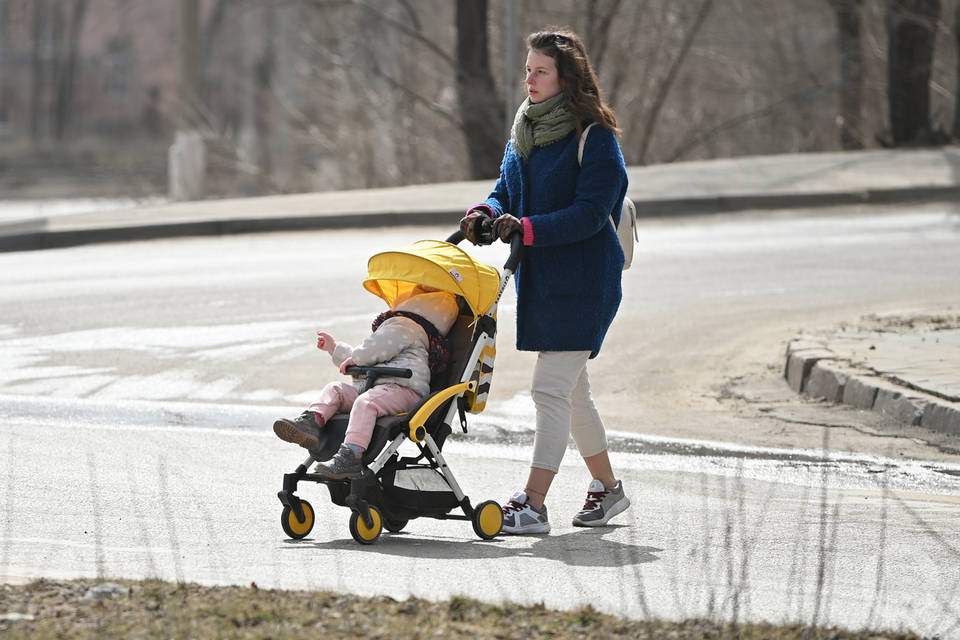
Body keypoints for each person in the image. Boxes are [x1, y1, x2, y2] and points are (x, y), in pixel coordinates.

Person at [459, 28, 630, 534]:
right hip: (545, 282)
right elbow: (505, 188)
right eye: (527, 70)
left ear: (566, 78)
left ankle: (532, 503)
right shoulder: (526, 131)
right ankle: (608, 490)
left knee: (549, 388)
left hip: (585, 282)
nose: (528, 79)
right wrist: (486, 212)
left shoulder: (594, 137)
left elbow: (592, 213)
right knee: (573, 392)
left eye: (540, 71)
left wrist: (526, 228)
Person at [274, 286, 459, 479]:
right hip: (379, 388)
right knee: (335, 389)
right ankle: (311, 422)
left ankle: (351, 455)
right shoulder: (400, 329)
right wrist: (334, 349)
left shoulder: (406, 326)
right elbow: (366, 354)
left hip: (403, 390)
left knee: (366, 403)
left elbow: (372, 351)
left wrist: (356, 357)